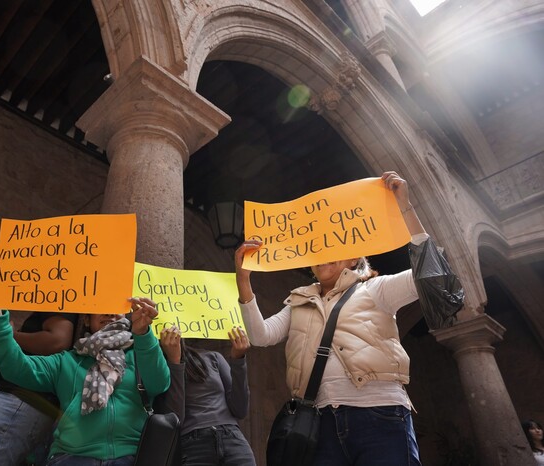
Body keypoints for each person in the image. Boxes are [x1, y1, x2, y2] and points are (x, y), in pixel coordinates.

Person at [235, 171, 432, 466]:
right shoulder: (298, 302)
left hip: (380, 414)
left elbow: (429, 275)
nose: (324, 252)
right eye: (316, 247)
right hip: (320, 422)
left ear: (354, 258)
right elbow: (260, 336)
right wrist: (243, 279)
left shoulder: (377, 289)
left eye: (333, 245)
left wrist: (405, 206)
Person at [0, 289, 170, 466]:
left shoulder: (141, 353)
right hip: (71, 458)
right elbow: (16, 367)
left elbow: (159, 383)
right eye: (101, 307)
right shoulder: (66, 362)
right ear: (86, 319)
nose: (110, 313)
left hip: (131, 457)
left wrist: (143, 335)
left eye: (116, 308)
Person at [0, 271, 79, 466]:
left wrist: (9, 334)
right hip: (23, 401)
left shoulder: (61, 295)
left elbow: (57, 340)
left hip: (19, 401)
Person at [158, 325, 256, 466]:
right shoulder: (156, 368)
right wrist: (175, 362)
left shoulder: (212, 357)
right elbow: (176, 418)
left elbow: (241, 409)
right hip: (193, 445)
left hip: (233, 439)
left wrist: (238, 359)